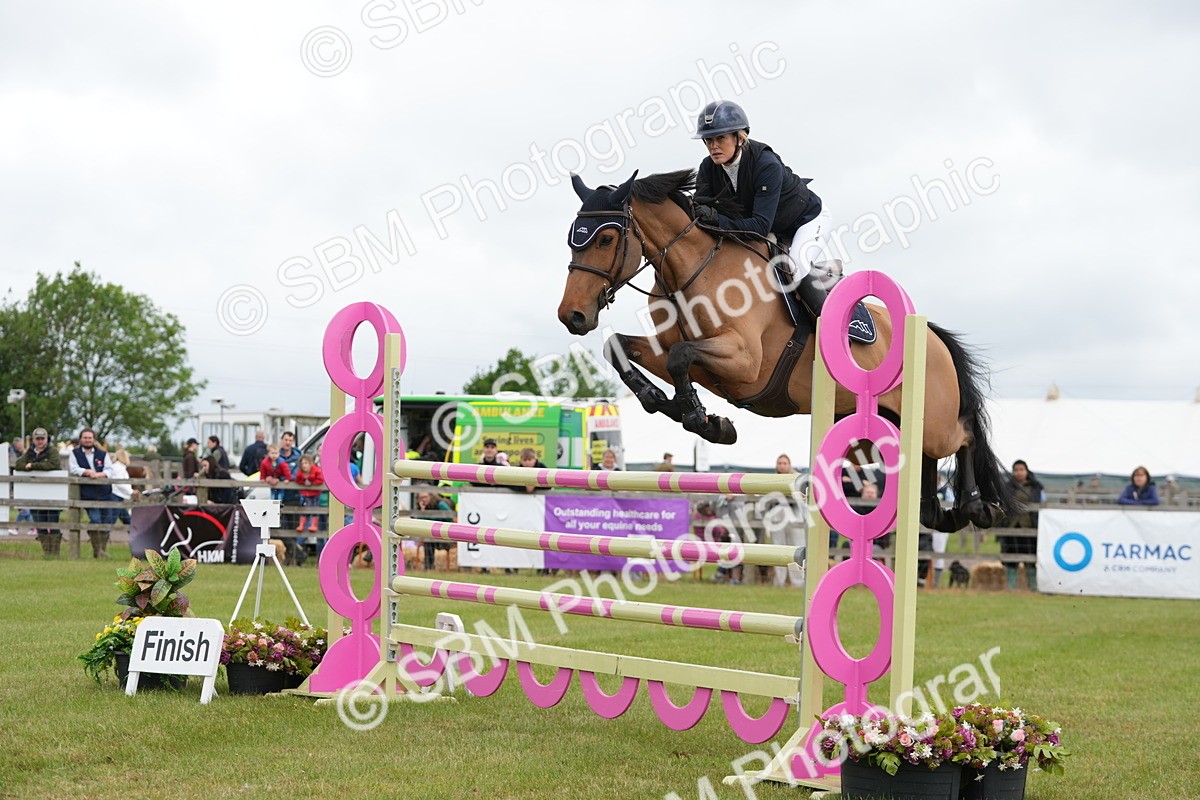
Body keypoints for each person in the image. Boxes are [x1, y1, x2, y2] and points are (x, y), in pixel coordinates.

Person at [691, 99, 835, 316]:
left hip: (806, 221)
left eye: (720, 138)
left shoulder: (766, 164)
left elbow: (759, 227)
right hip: (770, 226)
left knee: (797, 264)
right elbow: (700, 213)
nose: (713, 146)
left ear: (740, 138)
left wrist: (717, 220)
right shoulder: (707, 168)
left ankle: (829, 325)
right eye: (708, 140)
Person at [15, 427, 62, 557]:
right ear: (33, 440)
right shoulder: (30, 452)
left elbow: (53, 464)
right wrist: (29, 465)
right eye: (37, 439)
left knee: (53, 523)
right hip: (35, 494)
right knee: (39, 523)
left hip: (52, 493)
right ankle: (47, 553)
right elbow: (19, 464)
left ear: (47, 439)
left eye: (42, 438)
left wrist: (32, 465)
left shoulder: (52, 451)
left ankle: (55, 553)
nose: (40, 441)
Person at [999, 460, 1045, 590]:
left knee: (1030, 559)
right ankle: (1011, 588)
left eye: (1021, 469)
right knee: (1010, 560)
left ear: (1027, 471)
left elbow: (1042, 504)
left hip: (1029, 527)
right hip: (1011, 527)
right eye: (1016, 470)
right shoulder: (1007, 487)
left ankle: (1033, 588)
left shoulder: (1036, 487)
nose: (1019, 472)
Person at [68, 428, 112, 558]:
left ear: (94, 439)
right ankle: (98, 551)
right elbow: (73, 468)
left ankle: (101, 551)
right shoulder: (75, 453)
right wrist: (86, 472)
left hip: (104, 493)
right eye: (85, 438)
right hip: (88, 494)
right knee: (95, 519)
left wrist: (99, 474)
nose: (87, 440)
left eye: (90, 438)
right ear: (81, 439)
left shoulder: (102, 454)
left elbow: (110, 470)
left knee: (106, 523)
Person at [766, 453, 805, 588]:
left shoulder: (798, 478)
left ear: (789, 465)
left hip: (795, 516)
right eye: (780, 463)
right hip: (777, 517)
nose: (782, 466)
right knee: (778, 549)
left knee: (797, 547)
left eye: (784, 463)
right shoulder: (771, 480)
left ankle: (798, 582)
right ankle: (779, 582)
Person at [414, 489, 453, 570]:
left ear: (431, 496)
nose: (423, 500)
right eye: (420, 498)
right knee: (428, 539)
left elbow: (450, 519)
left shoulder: (440, 504)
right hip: (431, 537)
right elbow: (418, 523)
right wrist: (422, 512)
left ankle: (429, 566)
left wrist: (431, 519)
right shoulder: (421, 508)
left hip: (445, 536)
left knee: (429, 539)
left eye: (425, 497)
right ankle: (429, 568)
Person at [292, 454, 324, 532]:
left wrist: (312, 483)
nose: (304, 465)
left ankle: (314, 525)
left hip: (315, 494)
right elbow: (297, 480)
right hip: (305, 494)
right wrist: (303, 483)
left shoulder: (316, 470)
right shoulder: (300, 472)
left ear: (310, 463)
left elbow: (320, 480)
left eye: (306, 463)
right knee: (304, 509)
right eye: (302, 463)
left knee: (314, 509)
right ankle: (301, 525)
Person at [278, 431, 302, 529]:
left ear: (293, 442)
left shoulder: (298, 456)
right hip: (279, 496)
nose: (288, 442)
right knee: (279, 527)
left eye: (290, 440)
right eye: (286, 440)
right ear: (281, 440)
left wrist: (285, 478)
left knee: (294, 526)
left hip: (294, 496)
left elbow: (298, 473)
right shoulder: (275, 455)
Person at [103, 448, 135, 525]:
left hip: (117, 495)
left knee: (126, 519)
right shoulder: (119, 468)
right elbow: (120, 483)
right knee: (111, 520)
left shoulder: (116, 467)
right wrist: (131, 491)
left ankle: (134, 531)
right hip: (116, 495)